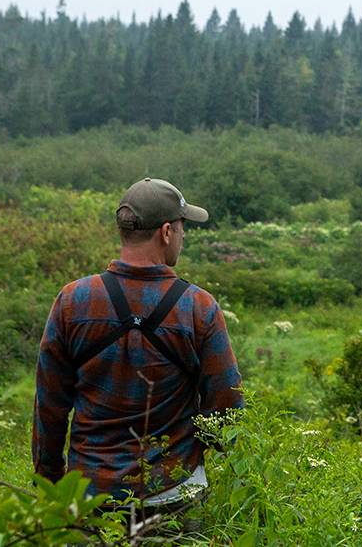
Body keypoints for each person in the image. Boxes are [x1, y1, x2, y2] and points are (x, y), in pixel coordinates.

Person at [32, 177, 244, 533]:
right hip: (173, 494)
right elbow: (226, 402)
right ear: (165, 232)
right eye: (181, 228)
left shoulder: (72, 300)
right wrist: (192, 453)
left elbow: (49, 407)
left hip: (89, 496)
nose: (182, 236)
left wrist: (51, 484)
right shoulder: (198, 307)